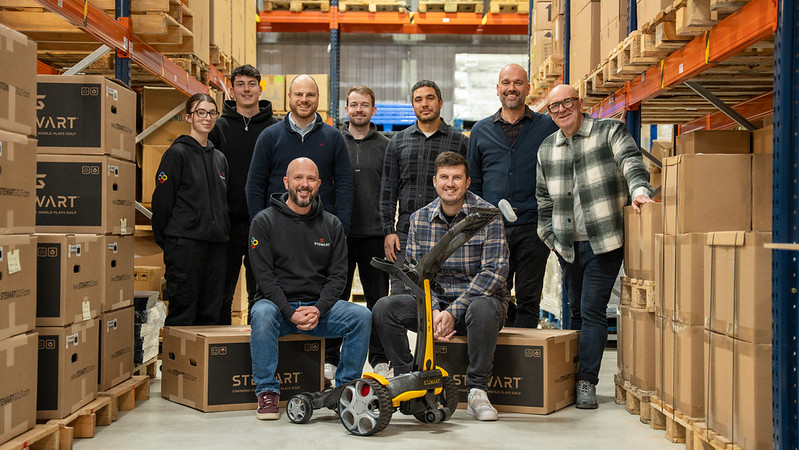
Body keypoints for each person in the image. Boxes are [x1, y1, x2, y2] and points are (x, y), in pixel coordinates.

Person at [536, 84, 654, 409]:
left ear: (580, 102)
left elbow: (631, 161)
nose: (560, 110)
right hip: (566, 246)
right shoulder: (547, 148)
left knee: (591, 310)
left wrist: (639, 190)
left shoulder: (608, 131)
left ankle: (586, 381)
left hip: (604, 242)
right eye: (553, 107)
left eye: (566, 103)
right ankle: (568, 377)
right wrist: (550, 238)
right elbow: (543, 199)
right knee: (573, 312)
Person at [373, 151, 510, 422]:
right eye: (445, 177)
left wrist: (453, 311)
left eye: (457, 177)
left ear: (467, 181)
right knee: (384, 307)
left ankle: (477, 390)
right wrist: (434, 310)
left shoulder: (488, 216)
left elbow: (495, 272)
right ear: (435, 181)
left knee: (482, 308)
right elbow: (415, 274)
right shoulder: (419, 219)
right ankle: (407, 377)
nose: (451, 183)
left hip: (477, 304)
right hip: (435, 305)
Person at [248, 157, 372, 420]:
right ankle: (267, 392)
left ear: (318, 184)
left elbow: (338, 277)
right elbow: (263, 275)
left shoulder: (332, 224)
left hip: (318, 310)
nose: (304, 185)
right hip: (277, 309)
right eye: (298, 178)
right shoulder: (264, 221)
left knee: (361, 316)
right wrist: (288, 311)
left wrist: (318, 308)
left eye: (310, 179)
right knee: (261, 314)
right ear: (286, 182)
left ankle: (344, 390)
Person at [467, 63, 560, 328]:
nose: (512, 88)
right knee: (494, 296)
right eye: (506, 83)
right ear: (498, 89)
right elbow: (474, 184)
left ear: (527, 88)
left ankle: (525, 361)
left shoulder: (546, 128)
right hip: (494, 230)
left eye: (518, 83)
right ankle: (500, 356)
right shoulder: (481, 131)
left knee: (529, 299)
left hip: (533, 228)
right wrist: (479, 226)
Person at [323, 86, 391, 384]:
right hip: (339, 235)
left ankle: (379, 359)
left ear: (373, 110)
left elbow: (391, 193)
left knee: (378, 300)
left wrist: (389, 230)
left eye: (365, 105)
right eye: (353, 105)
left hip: (375, 235)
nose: (359, 109)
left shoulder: (387, 146)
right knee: (335, 296)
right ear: (346, 109)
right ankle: (329, 358)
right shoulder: (333, 141)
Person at [380, 80, 468, 294]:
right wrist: (388, 231)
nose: (424, 104)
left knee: (446, 295)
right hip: (405, 233)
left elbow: (468, 187)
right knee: (399, 296)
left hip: (447, 232)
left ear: (440, 102)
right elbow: (388, 189)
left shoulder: (459, 142)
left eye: (430, 98)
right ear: (413, 106)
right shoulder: (398, 142)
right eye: (418, 100)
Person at [151, 93, 229, 326]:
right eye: (201, 113)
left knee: (210, 312)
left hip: (215, 248)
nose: (207, 118)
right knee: (184, 310)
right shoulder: (177, 154)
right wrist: (173, 241)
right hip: (185, 247)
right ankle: (178, 362)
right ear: (189, 117)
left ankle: (200, 362)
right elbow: (162, 204)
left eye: (212, 113)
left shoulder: (219, 159)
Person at [209, 64, 278, 325]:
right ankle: (221, 351)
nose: (246, 89)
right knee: (222, 293)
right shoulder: (219, 128)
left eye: (251, 84)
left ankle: (255, 351)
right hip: (226, 224)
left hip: (263, 224)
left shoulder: (274, 129)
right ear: (232, 89)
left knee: (260, 295)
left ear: (260, 89)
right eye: (240, 84)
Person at [245, 74, 353, 234]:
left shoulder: (334, 137)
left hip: (321, 228)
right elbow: (255, 184)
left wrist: (342, 229)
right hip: (277, 228)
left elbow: (344, 185)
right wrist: (259, 226)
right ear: (289, 96)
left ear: (318, 97)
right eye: (298, 94)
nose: (304, 99)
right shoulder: (269, 136)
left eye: (310, 95)